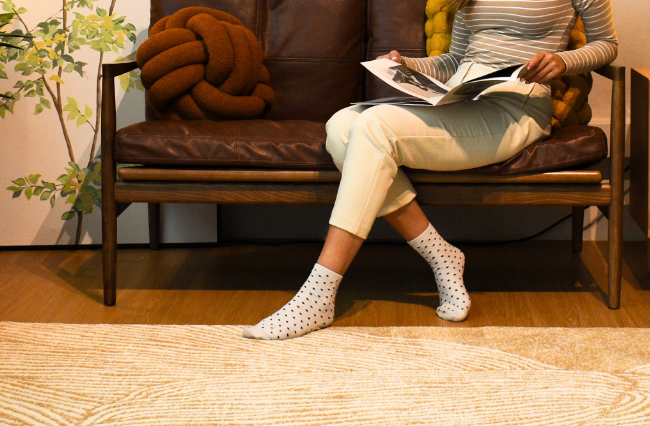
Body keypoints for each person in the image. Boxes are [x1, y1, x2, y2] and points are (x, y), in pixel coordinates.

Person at [243, 0, 618, 340]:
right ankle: (443, 255)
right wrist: (406, 66)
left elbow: (607, 45)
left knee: (373, 128)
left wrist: (564, 61)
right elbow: (453, 62)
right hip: (463, 97)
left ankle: (319, 293)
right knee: (341, 125)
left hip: (515, 106)